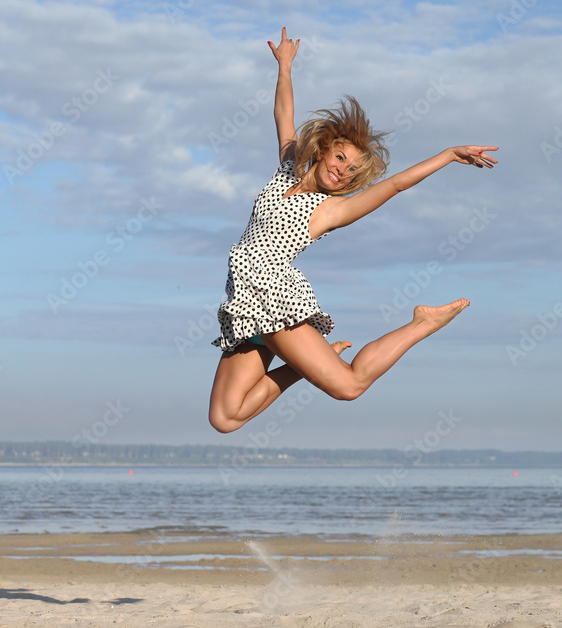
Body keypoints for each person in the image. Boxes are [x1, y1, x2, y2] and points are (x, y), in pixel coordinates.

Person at [208, 28, 497, 433]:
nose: (342, 169)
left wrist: (447, 155)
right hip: (244, 306)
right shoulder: (288, 168)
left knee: (349, 385)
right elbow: (284, 115)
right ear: (324, 148)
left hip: (274, 301)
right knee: (224, 418)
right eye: (340, 157)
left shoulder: (328, 211)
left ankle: (421, 323)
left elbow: (394, 185)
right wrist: (286, 67)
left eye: (351, 170)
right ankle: (301, 366)